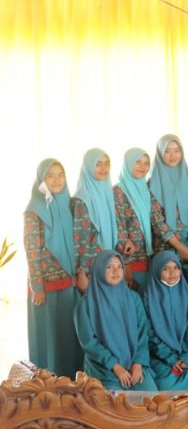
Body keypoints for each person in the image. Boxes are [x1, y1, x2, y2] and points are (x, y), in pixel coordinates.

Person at [25, 158, 83, 378]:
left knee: (69, 336)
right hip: (46, 289)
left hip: (69, 284)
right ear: (42, 179)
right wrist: (37, 285)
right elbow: (32, 249)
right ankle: (47, 388)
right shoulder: (34, 210)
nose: (57, 180)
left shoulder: (71, 205)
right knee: (49, 339)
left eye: (60, 175)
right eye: (51, 175)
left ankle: (72, 386)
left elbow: (79, 241)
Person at [74, 251, 157, 390]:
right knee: (114, 402)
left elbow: (142, 333)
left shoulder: (133, 298)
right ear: (99, 270)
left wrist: (138, 363)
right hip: (104, 369)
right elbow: (89, 343)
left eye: (120, 267)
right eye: (109, 267)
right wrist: (116, 367)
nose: (116, 271)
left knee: (152, 397)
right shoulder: (85, 305)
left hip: (133, 365)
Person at [143, 251, 188, 391]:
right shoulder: (148, 297)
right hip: (159, 356)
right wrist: (171, 358)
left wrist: (187, 356)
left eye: (176, 268)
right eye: (166, 268)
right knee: (166, 385)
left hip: (184, 353)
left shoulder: (185, 294)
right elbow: (149, 333)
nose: (172, 273)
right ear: (156, 270)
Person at [149, 134, 188, 283]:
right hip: (165, 249)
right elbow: (157, 221)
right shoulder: (153, 183)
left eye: (176, 150)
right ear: (160, 154)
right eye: (167, 151)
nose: (172, 155)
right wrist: (179, 247)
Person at [71, 148, 116, 288]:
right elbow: (81, 238)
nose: (104, 168)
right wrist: (82, 272)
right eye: (98, 164)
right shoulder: (81, 198)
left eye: (107, 163)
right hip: (91, 268)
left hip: (109, 264)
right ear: (88, 166)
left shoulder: (108, 192)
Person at [113, 149, 157, 290]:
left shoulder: (146, 190)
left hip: (147, 258)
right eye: (137, 161)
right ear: (128, 163)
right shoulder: (118, 191)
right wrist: (125, 262)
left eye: (146, 163)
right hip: (130, 260)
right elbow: (118, 226)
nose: (142, 166)